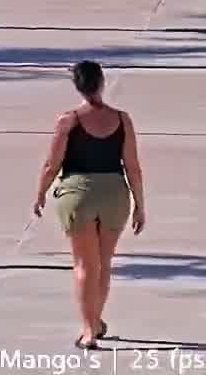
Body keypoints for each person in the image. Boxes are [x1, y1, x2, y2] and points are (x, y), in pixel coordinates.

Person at [33, 61, 146, 351]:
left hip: (77, 194)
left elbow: (51, 164)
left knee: (85, 264)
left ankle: (88, 332)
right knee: (103, 263)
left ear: (78, 86)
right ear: (101, 82)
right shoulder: (122, 120)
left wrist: (41, 193)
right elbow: (132, 167)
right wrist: (140, 205)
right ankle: (96, 321)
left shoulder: (68, 121)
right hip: (114, 195)